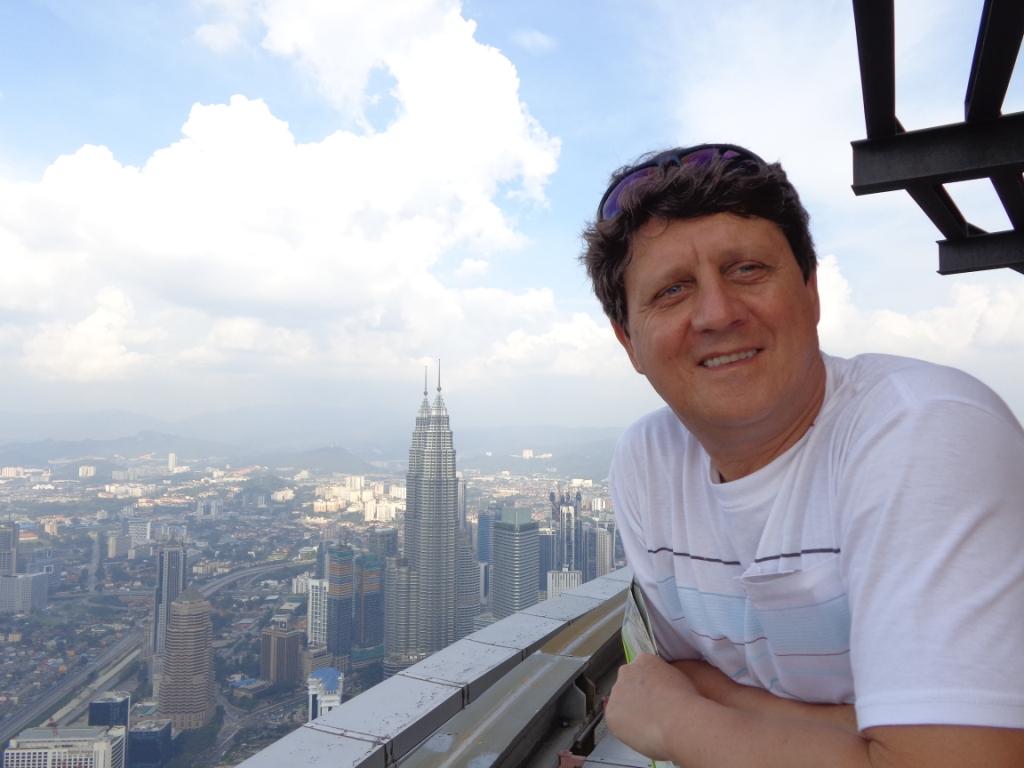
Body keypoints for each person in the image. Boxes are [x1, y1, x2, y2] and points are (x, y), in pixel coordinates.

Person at [581, 144, 1024, 767]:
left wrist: (676, 720)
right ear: (628, 339)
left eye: (747, 270)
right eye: (673, 290)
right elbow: (680, 672)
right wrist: (865, 737)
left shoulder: (922, 428)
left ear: (811, 292)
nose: (717, 314)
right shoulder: (647, 462)